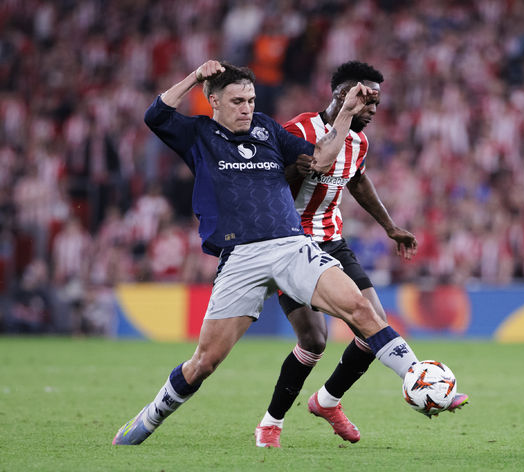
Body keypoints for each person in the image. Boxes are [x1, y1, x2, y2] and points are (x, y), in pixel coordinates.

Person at [112, 60, 427, 446]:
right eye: (237, 101)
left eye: (251, 100)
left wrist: (346, 113)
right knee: (204, 362)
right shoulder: (199, 134)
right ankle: (148, 418)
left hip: (291, 244)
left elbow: (322, 159)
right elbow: (155, 115)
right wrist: (194, 77)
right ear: (214, 101)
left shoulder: (267, 129)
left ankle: (420, 377)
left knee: (361, 310)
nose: (247, 108)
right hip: (241, 255)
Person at [254, 61, 469, 448]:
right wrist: (295, 171)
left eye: (376, 104)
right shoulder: (298, 131)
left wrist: (390, 226)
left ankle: (327, 401)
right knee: (314, 341)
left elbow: (358, 180)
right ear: (343, 95)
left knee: (374, 325)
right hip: (290, 245)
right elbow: (265, 184)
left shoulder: (358, 142)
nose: (373, 110)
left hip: (333, 241)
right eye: (368, 101)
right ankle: (271, 423)